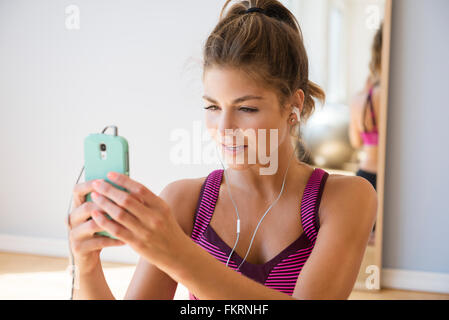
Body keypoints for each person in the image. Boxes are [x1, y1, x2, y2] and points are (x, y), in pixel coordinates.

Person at [68, 0, 377, 300]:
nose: (224, 127)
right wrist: (87, 265)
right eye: (212, 106)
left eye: (246, 108)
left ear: (293, 105)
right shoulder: (184, 201)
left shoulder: (345, 199)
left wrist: (177, 254)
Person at [349, 24, 382, 245]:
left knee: (364, 247)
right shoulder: (396, 93)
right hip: (391, 179)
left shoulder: (362, 97)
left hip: (366, 175)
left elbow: (356, 141)